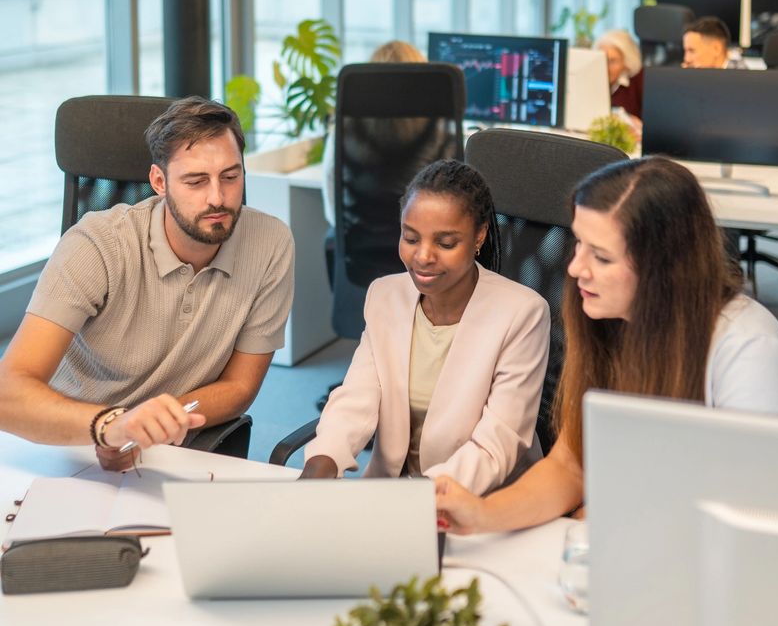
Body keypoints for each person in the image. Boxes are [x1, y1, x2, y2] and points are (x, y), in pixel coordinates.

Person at [436, 156, 778, 534]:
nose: (576, 268)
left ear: (665, 268)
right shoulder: (609, 319)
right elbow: (571, 467)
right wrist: (483, 515)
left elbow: (746, 509)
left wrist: (604, 517)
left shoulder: (749, 349)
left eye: (602, 257)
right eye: (579, 244)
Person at [0, 97, 294, 466]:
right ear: (159, 181)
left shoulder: (271, 242)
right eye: (195, 181)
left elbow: (239, 387)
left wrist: (151, 425)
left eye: (231, 177)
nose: (218, 197)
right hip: (68, 439)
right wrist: (112, 426)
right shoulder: (97, 244)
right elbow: (8, 395)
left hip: (163, 447)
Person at [301, 159, 550, 494]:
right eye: (411, 238)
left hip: (483, 502)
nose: (423, 256)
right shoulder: (384, 296)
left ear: (479, 236)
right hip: (395, 495)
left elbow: (496, 445)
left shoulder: (522, 313)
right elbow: (356, 400)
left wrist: (421, 500)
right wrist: (322, 462)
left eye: (445, 243)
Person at [320, 39, 427, 227]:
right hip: (421, 251)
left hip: (358, 250)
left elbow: (333, 212)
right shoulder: (438, 138)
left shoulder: (343, 136)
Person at [594, 29, 644, 126]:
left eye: (612, 61)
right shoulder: (592, 81)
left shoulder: (640, 81)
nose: (606, 67)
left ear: (626, 62)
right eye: (602, 59)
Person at [682, 16, 747, 69]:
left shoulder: (742, 79)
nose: (686, 59)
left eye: (692, 51)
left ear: (716, 49)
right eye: (685, 51)